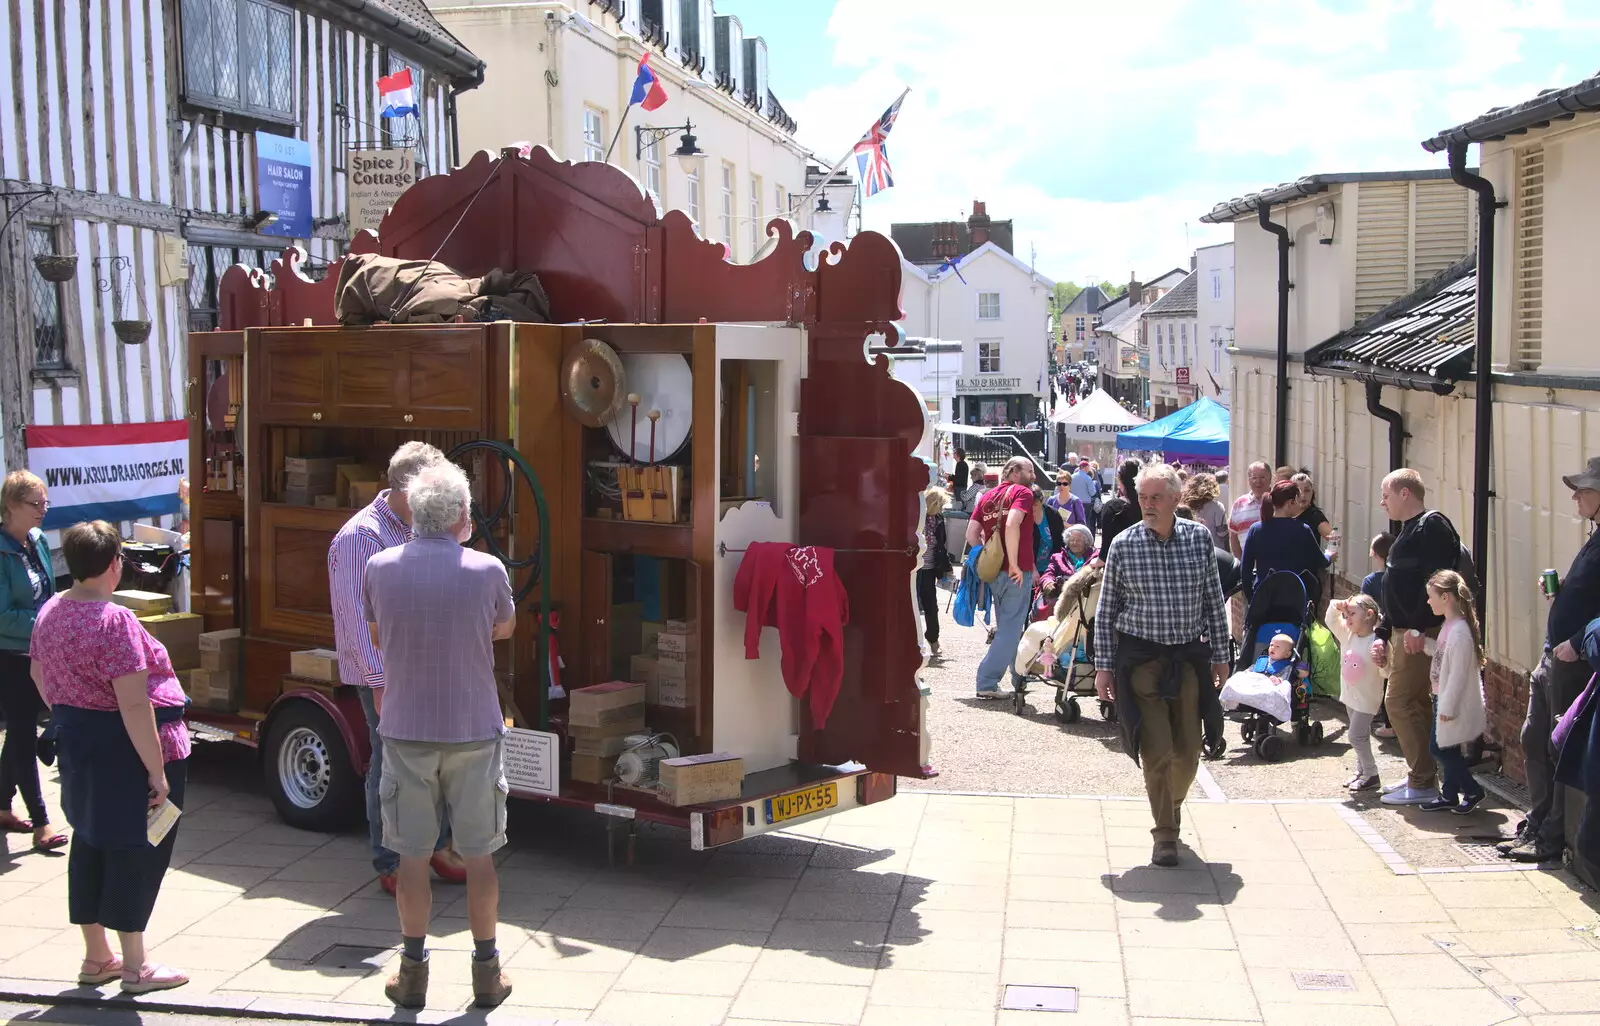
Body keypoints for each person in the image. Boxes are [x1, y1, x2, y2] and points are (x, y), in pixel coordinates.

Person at [365, 462, 516, 1010]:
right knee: (479, 857)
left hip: (406, 729)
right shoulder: (487, 569)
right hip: (473, 726)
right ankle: (485, 972)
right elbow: (505, 626)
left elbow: (378, 636)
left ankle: (411, 973)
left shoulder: (380, 567)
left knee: (410, 857)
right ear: (458, 515)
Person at [30, 521, 190, 993]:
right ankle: (135, 967)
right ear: (115, 563)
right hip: (126, 750)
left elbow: (39, 674)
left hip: (78, 746)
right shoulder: (113, 620)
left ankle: (97, 956)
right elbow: (134, 703)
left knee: (90, 840)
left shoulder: (52, 610)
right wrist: (157, 771)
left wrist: (71, 711)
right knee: (134, 849)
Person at [328, 443, 466, 895]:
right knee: (391, 765)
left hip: (425, 667)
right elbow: (355, 623)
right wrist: (382, 686)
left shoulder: (418, 527)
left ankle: (439, 847)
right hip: (387, 676)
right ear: (410, 488)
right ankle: (390, 861)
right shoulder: (360, 538)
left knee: (437, 762)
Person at [1094, 463, 1230, 867]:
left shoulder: (1199, 539)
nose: (1148, 505)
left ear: (1175, 499)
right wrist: (1103, 667)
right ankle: (1165, 834)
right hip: (1139, 662)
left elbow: (1212, 600)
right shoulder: (1123, 544)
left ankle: (1171, 805)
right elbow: (1106, 611)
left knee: (1188, 753)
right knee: (1157, 750)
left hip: (1187, 658)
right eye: (1143, 498)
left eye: (1156, 498)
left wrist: (1221, 655)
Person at [1503, 457, 1600, 860]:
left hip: (1574, 662)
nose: (1574, 495)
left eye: (1584, 489)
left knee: (1559, 747)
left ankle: (1552, 839)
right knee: (1532, 738)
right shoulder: (1594, 537)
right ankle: (1539, 822)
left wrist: (1577, 640)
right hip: (1552, 656)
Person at [1374, 469, 1464, 807]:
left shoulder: (1432, 527)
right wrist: (1384, 632)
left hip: (1417, 632)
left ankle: (1424, 780)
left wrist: (1416, 627)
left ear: (1405, 494)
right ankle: (1422, 775)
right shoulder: (1406, 533)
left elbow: (1438, 582)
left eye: (1387, 495)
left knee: (1397, 702)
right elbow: (1394, 588)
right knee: (1416, 704)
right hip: (1402, 631)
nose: (1382, 502)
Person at [0, 469, 63, 851]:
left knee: (23, 732)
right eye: (35, 504)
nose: (43, 510)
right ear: (10, 506)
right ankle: (41, 821)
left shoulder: (36, 540)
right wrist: (44, 623)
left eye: (45, 503)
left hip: (37, 652)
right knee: (23, 734)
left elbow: (48, 591)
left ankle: (2, 804)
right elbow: (3, 614)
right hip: (9, 657)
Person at [966, 457, 1037, 698]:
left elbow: (971, 534)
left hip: (994, 571)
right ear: (1015, 472)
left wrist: (989, 554)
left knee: (1008, 626)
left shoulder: (986, 496)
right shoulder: (1022, 492)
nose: (1033, 475)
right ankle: (986, 681)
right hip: (1017, 571)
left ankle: (1018, 676)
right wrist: (1015, 563)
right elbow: (1013, 523)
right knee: (1010, 629)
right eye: (1030, 470)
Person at [1421, 570, 1488, 814]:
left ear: (1446, 597)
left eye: (1432, 596)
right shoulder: (1450, 626)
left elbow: (1458, 675)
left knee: (1438, 748)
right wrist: (1424, 644)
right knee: (1447, 747)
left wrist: (1447, 708)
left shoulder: (1459, 632)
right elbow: (1443, 657)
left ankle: (1472, 790)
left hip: (1448, 700)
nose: (1428, 601)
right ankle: (1449, 794)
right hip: (1441, 696)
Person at [1327, 595, 1385, 791]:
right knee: (1361, 734)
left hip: (1367, 698)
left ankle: (1371, 773)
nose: (1347, 618)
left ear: (1369, 615)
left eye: (1352, 614)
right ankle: (1361, 770)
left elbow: (1387, 670)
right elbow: (1331, 619)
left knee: (1356, 736)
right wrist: (1337, 605)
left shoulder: (1376, 641)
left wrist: (1383, 663)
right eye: (1347, 614)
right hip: (1351, 696)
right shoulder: (1348, 635)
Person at [1239, 480, 1329, 600]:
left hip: (1264, 597)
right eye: (1296, 500)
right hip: (1294, 599)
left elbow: (1245, 570)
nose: (1299, 504)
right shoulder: (1302, 529)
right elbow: (1321, 561)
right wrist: (1329, 556)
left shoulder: (1256, 530)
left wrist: (1251, 598)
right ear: (1289, 503)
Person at [1363, 533, 1396, 739]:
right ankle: (1391, 720)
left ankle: (1383, 718)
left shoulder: (1371, 581)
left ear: (1376, 555)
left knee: (1380, 674)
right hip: (1397, 632)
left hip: (1378, 633)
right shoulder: (1398, 578)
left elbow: (1366, 608)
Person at [917, 488, 952, 661]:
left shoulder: (938, 519)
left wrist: (947, 567)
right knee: (914, 606)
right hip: (915, 569)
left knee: (931, 606)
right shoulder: (917, 517)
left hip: (930, 568)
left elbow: (941, 546)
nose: (942, 509)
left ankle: (933, 639)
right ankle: (915, 641)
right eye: (940, 505)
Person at [1097, 459, 1143, 556]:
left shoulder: (1112, 507)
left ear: (1120, 479)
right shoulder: (1151, 506)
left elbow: (1106, 549)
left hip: (1117, 561)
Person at [1228, 461, 1271, 559]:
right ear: (1249, 480)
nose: (1258, 481)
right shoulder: (1239, 504)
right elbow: (1233, 538)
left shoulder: (1278, 501)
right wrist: (1242, 564)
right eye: (1254, 477)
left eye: (1262, 477)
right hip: (1248, 567)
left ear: (1270, 479)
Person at [1183, 472, 1229, 551]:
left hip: (1192, 551)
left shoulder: (1186, 506)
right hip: (1216, 552)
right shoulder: (1217, 506)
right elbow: (1222, 534)